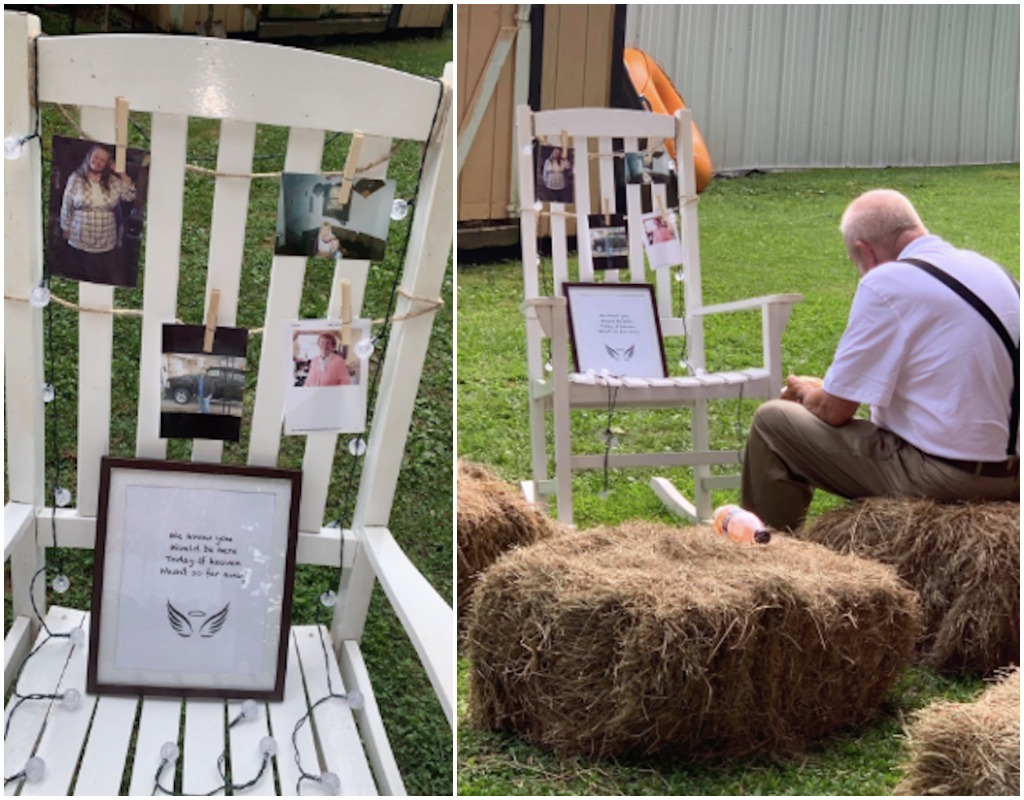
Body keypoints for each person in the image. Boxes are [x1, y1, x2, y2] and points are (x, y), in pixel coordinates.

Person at [741, 189, 1019, 531]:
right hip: (1012, 476)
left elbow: (834, 411)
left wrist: (805, 392)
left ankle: (770, 557)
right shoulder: (992, 271)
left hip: (949, 478)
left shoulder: (886, 281)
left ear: (864, 252)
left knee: (773, 422)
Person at [59, 143, 137, 281]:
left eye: (103, 160)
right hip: (79, 236)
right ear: (89, 157)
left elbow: (130, 195)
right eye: (96, 157)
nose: (98, 162)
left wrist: (120, 172)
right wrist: (65, 227)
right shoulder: (75, 178)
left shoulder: (113, 181)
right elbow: (67, 204)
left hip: (106, 238)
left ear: (108, 163)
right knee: (79, 274)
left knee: (101, 275)